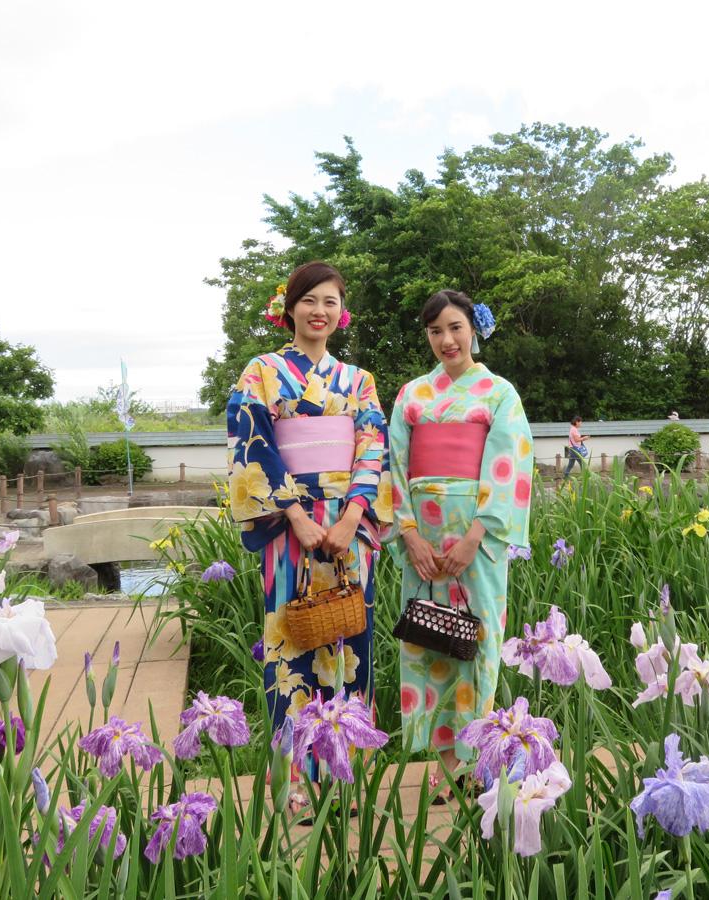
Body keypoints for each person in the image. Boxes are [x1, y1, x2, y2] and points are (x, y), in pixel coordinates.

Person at [226, 261, 391, 809]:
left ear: (340, 313)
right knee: (289, 641)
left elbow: (373, 444)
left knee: (350, 642)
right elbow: (253, 441)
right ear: (290, 307)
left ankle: (345, 772)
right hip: (287, 522)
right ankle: (294, 780)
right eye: (309, 301)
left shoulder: (358, 380)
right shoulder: (263, 371)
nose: (319, 312)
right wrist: (296, 515)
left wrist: (351, 517)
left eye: (329, 302)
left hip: (348, 521)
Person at [386, 289, 533, 800]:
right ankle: (446, 764)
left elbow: (509, 463)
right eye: (435, 331)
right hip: (421, 544)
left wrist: (476, 535)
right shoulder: (412, 395)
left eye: (455, 327)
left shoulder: (498, 392)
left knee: (478, 645)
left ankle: (479, 762)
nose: (446, 340)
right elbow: (395, 468)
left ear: (474, 328)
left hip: (476, 542)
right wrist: (408, 535)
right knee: (429, 643)